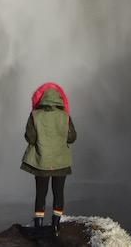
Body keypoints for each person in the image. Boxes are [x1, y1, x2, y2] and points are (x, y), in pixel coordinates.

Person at [21, 82, 76, 235]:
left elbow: (30, 138)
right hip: (61, 162)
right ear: (59, 99)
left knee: (41, 193)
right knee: (58, 193)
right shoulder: (65, 116)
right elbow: (72, 137)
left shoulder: (35, 115)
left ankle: (38, 227)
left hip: (41, 162)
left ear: (42, 99)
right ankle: (56, 226)